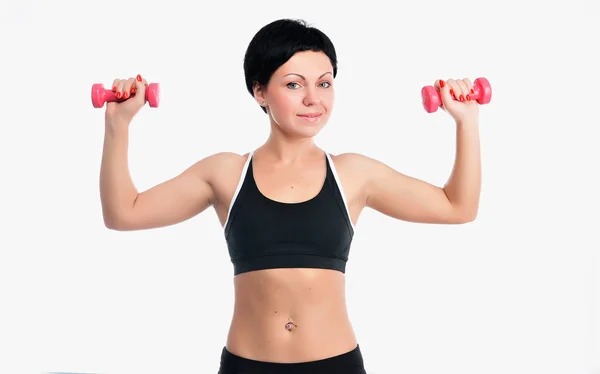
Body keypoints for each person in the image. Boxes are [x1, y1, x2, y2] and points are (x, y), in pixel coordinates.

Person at [99, 18, 481, 374]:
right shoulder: (225, 173)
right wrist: (118, 125)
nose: (314, 99)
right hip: (247, 365)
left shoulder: (353, 174)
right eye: (295, 84)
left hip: (336, 364)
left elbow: (458, 207)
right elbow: (123, 214)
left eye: (325, 83)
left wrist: (467, 122)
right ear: (259, 91)